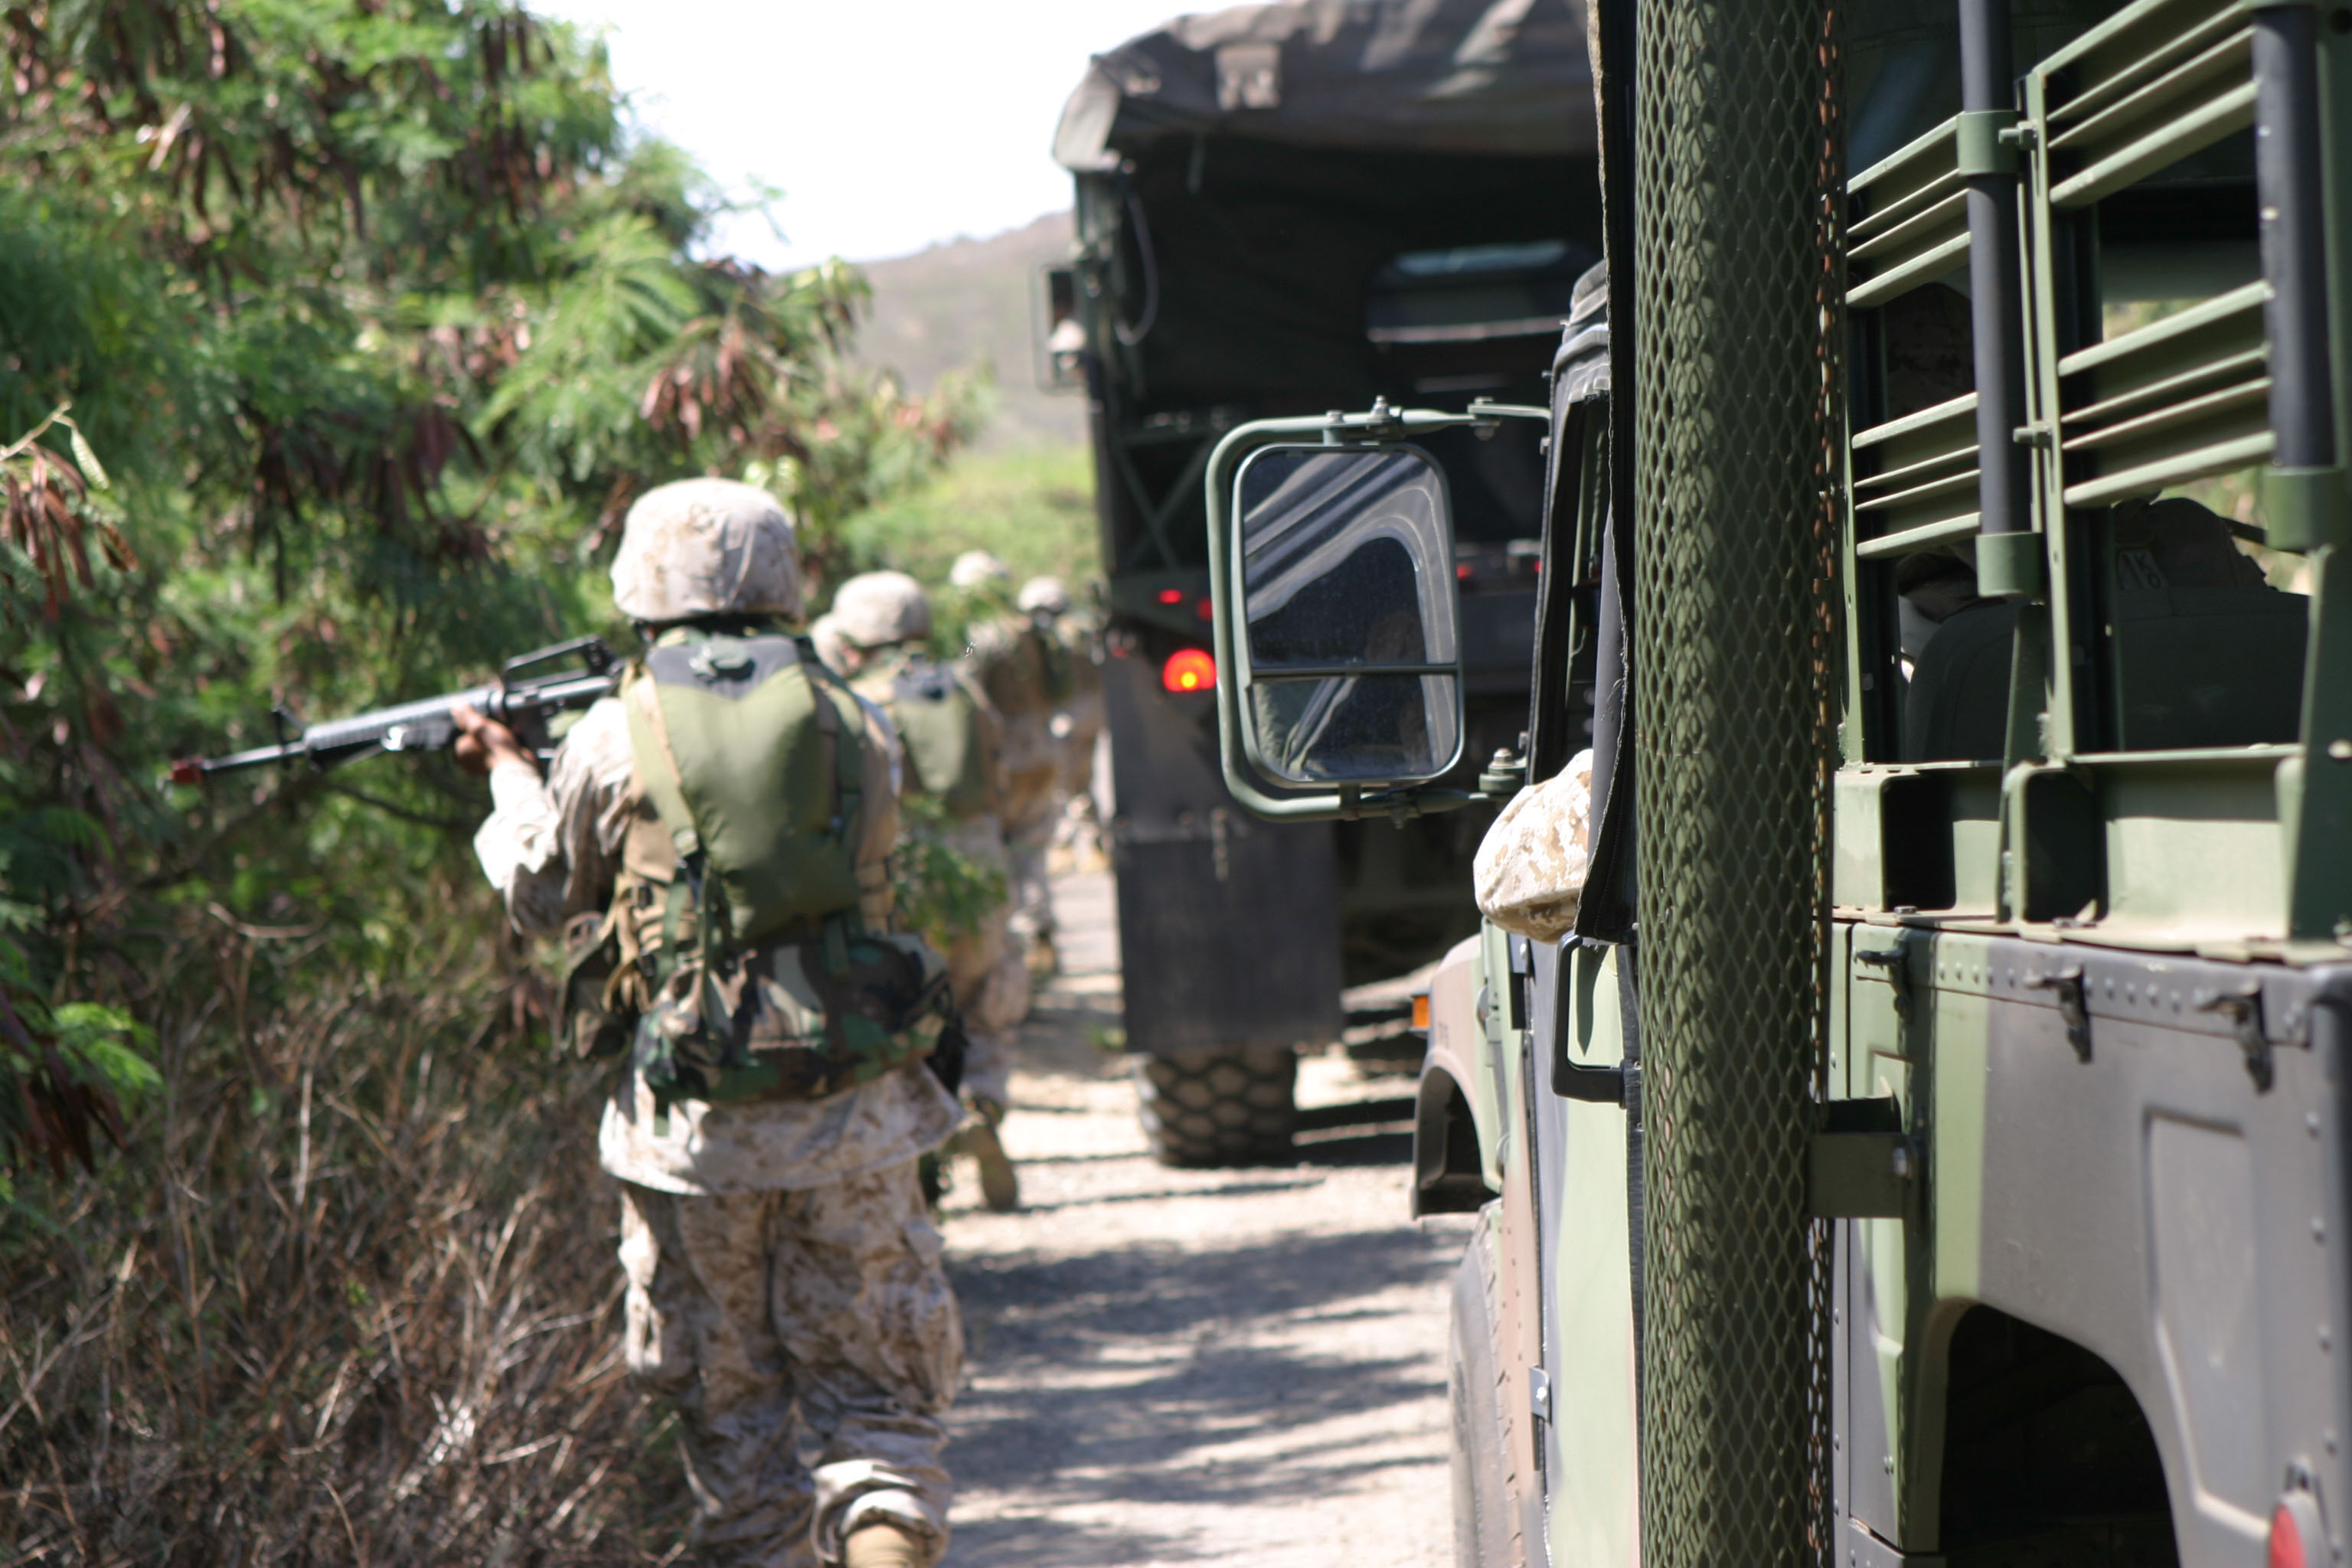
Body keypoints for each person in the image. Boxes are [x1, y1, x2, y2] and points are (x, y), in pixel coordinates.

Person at [452, 479, 960, 1568]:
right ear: (782, 581)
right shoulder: (854, 717)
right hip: (858, 1108)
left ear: (641, 586)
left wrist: (508, 778)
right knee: (879, 1413)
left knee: (737, 1435)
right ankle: (884, 1531)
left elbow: (548, 901)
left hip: (693, 1132)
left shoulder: (608, 734)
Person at [813, 570, 1027, 1213]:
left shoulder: (857, 702)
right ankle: (982, 1103)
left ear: (853, 641)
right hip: (981, 860)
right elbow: (1002, 775)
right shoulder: (960, 685)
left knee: (912, 1016)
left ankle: (926, 1156)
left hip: (904, 870)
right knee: (987, 1003)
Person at [953, 552, 1068, 975]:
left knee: (1006, 853)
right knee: (1033, 848)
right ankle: (1042, 934)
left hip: (1006, 760)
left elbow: (965, 682)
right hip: (1043, 751)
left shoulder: (976, 634)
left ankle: (1018, 950)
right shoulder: (1030, 630)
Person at [1018, 575, 1107, 870]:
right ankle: (1085, 843)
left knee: (1065, 784)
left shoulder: (1042, 636)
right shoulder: (1084, 629)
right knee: (1078, 780)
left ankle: (1071, 843)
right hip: (1091, 713)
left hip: (1064, 719)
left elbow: (974, 652)